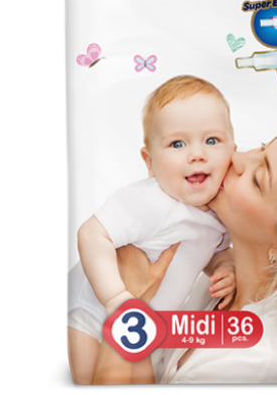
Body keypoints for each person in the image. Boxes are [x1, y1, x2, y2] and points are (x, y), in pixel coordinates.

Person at [88, 129, 277, 384]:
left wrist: (127, 307)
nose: (237, 157)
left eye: (258, 179)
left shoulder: (253, 364)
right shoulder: (229, 280)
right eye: (262, 147)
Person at [66, 76, 237, 385]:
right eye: (177, 144)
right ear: (150, 162)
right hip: (92, 312)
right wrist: (115, 297)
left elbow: (215, 250)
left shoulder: (220, 213)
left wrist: (223, 267)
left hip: (147, 326)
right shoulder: (149, 201)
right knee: (88, 379)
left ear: (233, 152)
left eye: (212, 141)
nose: (197, 154)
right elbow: (90, 234)